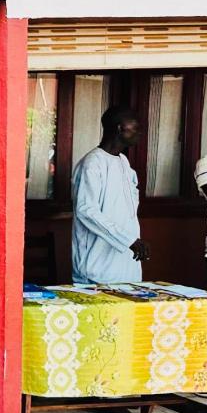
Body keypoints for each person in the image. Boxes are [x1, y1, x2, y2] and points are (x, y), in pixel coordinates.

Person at [72, 106, 150, 285]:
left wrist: (131, 240)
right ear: (120, 128)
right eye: (135, 126)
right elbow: (86, 210)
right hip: (96, 268)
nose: (140, 132)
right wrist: (127, 240)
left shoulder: (123, 162)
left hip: (126, 266)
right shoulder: (92, 164)